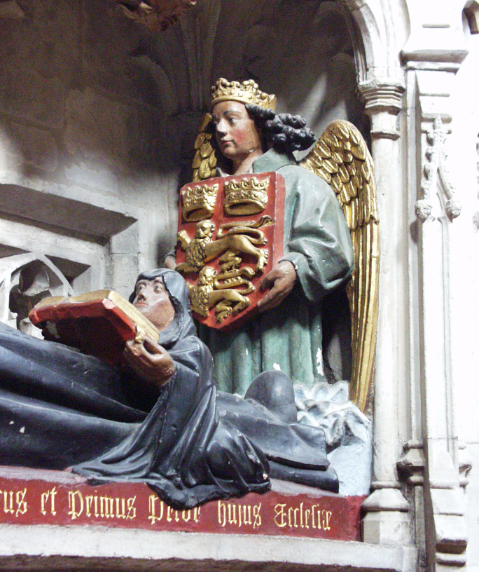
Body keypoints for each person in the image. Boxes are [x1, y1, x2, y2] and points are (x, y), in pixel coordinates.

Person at [0, 268, 337, 509]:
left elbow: (203, 422)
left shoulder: (191, 351)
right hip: (107, 388)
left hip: (155, 413)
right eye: (139, 288)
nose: (143, 294)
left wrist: (168, 375)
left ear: (178, 309)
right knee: (37, 356)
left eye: (157, 289)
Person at [167, 79, 354, 394]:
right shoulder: (206, 195)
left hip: (279, 323)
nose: (221, 130)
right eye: (216, 123)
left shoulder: (299, 183)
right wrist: (175, 268)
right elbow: (191, 249)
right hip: (216, 332)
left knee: (274, 397)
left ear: (260, 125)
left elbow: (334, 249)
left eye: (231, 119)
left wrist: (296, 267)